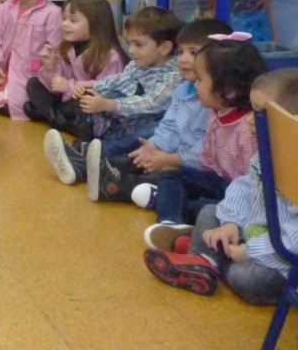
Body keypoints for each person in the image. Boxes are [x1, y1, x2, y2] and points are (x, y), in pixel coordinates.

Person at [142, 68, 298, 304]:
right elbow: (243, 186)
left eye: (259, 113)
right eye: (252, 110)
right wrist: (231, 223)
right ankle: (204, 261)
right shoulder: (265, 154)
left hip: (281, 259)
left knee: (245, 277)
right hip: (250, 233)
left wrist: (251, 251)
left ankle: (206, 260)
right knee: (209, 213)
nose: (249, 119)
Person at [86, 18, 232, 204]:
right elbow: (169, 126)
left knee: (165, 179)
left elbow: (207, 152)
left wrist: (169, 159)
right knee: (138, 157)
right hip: (172, 157)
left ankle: (113, 186)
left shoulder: (215, 102)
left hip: (194, 168)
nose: (183, 59)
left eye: (193, 52)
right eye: (180, 52)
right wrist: (154, 147)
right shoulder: (184, 89)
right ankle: (88, 167)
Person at [137, 32, 264, 235]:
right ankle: (169, 223)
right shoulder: (216, 114)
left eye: (200, 80)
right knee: (172, 175)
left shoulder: (246, 130)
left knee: (205, 209)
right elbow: (206, 161)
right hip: (218, 182)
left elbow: (251, 187)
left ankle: (166, 204)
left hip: (241, 196)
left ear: (229, 91)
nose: (195, 86)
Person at [44, 6, 182, 186]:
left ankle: (90, 156)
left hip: (151, 127)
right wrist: (89, 86)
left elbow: (152, 102)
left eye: (138, 45)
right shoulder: (137, 64)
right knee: (96, 94)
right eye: (129, 43)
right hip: (127, 121)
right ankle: (85, 147)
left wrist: (109, 104)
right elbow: (117, 80)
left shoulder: (173, 75)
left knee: (148, 132)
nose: (131, 50)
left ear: (164, 47)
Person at [24, 0, 129, 134]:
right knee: (34, 84)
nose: (65, 24)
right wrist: (49, 67)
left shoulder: (109, 55)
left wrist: (68, 86)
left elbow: (105, 90)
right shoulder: (65, 47)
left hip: (93, 106)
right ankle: (62, 121)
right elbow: (54, 87)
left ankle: (51, 116)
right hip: (66, 100)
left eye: (73, 20)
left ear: (95, 23)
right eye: (64, 18)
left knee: (83, 103)